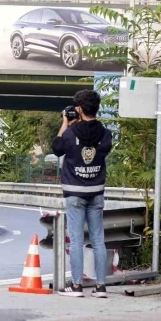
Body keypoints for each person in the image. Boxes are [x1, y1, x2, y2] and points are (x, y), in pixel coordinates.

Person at [53, 90, 112, 299]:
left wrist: (65, 123)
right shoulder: (105, 133)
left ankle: (77, 286)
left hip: (74, 192)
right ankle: (101, 287)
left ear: (78, 109)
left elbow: (57, 148)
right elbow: (104, 149)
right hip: (96, 191)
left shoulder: (70, 133)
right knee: (98, 240)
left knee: (77, 239)